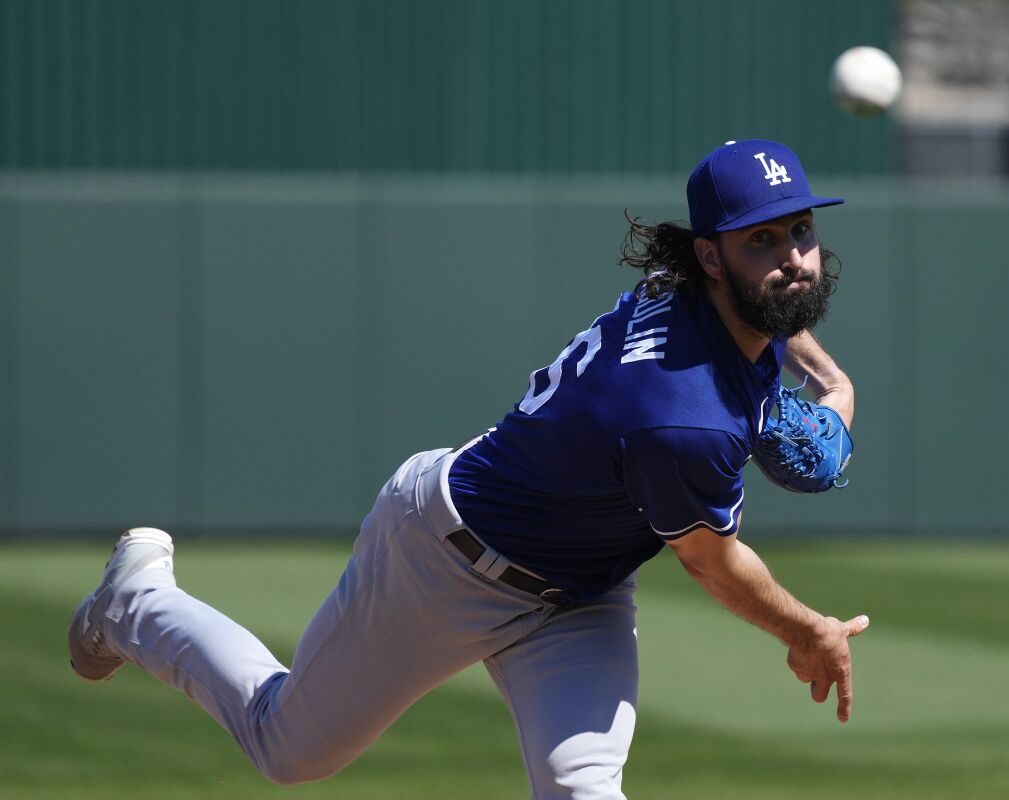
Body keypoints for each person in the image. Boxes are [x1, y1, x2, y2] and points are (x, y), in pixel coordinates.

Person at [68, 139, 869, 800]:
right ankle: (137, 597)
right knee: (289, 749)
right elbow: (714, 564)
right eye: (761, 239)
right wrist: (809, 631)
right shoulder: (679, 416)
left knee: (583, 790)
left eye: (799, 231)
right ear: (712, 257)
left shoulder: (695, 303)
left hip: (580, 596)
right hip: (447, 559)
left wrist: (830, 385)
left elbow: (782, 373)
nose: (794, 257)